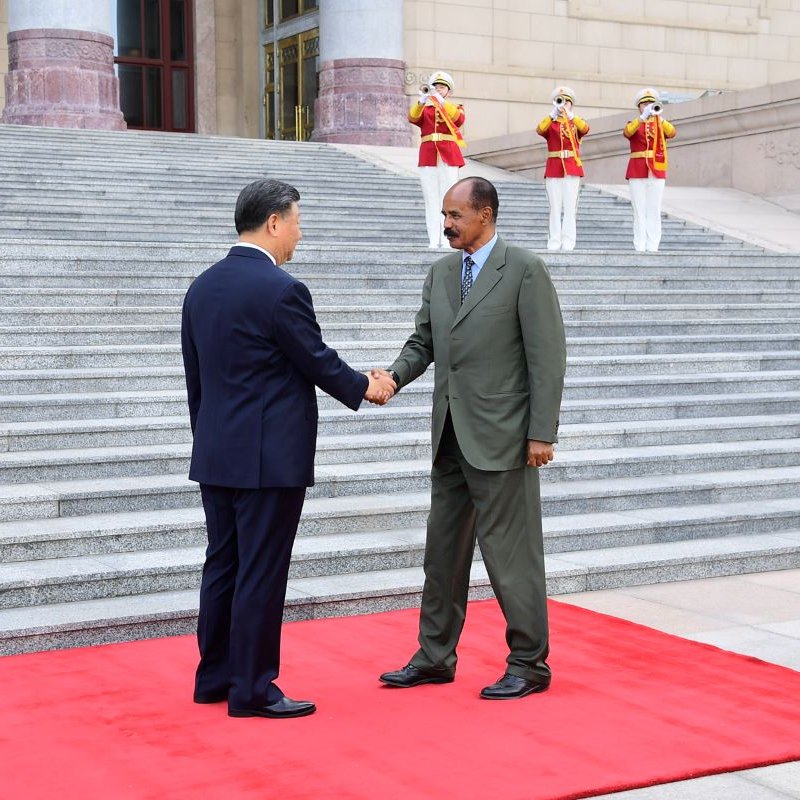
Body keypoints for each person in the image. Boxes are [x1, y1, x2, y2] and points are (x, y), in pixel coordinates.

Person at [181, 178, 395, 719]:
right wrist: (365, 386)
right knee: (260, 572)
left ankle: (215, 678)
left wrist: (207, 440)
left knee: (223, 566)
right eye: (296, 221)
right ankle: (252, 689)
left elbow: (196, 381)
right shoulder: (281, 290)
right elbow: (315, 358)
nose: (299, 234)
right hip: (269, 459)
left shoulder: (201, 287)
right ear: (273, 222)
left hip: (216, 452)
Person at [376, 176, 566, 699]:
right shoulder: (440, 274)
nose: (447, 224)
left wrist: (541, 432)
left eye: (455, 215)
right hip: (450, 438)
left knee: (511, 556)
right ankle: (435, 656)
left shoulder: (524, 270)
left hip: (505, 440)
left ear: (485, 214)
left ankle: (529, 663)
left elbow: (546, 358)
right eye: (445, 214)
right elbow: (424, 342)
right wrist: (393, 375)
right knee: (442, 554)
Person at [409, 70, 466, 249]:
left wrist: (440, 101)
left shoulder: (455, 107)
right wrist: (421, 100)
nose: (437, 90)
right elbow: (412, 117)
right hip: (428, 156)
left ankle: (449, 240)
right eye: (436, 87)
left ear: (448, 91)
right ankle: (434, 240)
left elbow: (458, 119)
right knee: (431, 198)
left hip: (448, 155)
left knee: (449, 199)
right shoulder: (424, 108)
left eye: (442, 87)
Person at [536, 86, 589, 251]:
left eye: (567, 102)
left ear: (571, 104)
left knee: (570, 207)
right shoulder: (551, 123)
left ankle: (568, 243)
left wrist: (571, 116)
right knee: (555, 208)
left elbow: (585, 129)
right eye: (560, 101)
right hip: (554, 167)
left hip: (572, 167)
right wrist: (552, 114)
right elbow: (540, 129)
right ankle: (554, 242)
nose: (563, 104)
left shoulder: (574, 122)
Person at [624, 87, 677, 252]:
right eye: (644, 104)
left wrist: (659, 118)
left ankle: (653, 246)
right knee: (639, 210)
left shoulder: (660, 124)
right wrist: (642, 117)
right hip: (637, 169)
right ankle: (639, 245)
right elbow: (627, 132)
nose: (647, 106)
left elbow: (672, 132)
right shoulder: (634, 123)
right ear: (639, 106)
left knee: (654, 209)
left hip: (656, 170)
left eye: (650, 103)